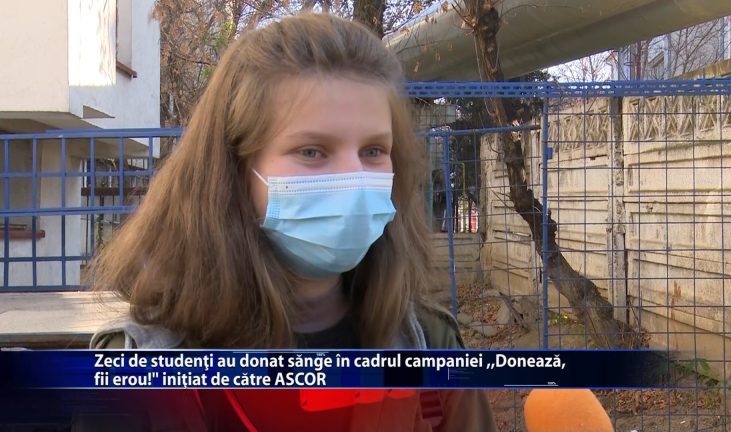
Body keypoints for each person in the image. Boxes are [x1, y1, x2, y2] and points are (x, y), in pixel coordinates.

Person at [86, 12, 498, 432]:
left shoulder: (428, 345)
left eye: (373, 151)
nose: (354, 179)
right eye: (312, 151)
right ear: (235, 171)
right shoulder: (140, 369)